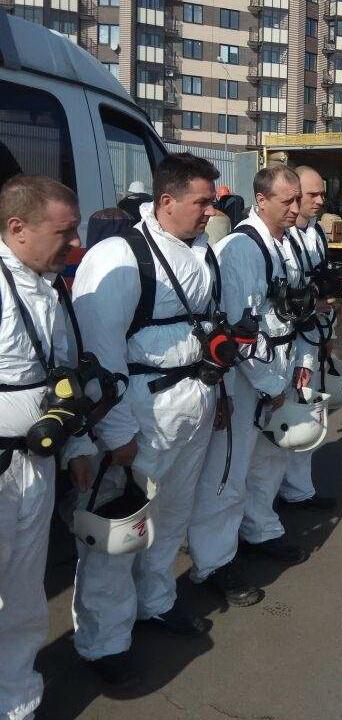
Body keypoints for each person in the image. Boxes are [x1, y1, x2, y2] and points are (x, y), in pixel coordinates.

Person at [70, 154, 223, 686]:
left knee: (172, 514)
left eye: (212, 202)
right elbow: (100, 350)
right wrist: (117, 434)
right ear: (167, 201)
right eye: (202, 202)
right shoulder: (120, 256)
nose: (211, 211)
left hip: (194, 400)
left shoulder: (201, 251)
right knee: (122, 528)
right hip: (141, 411)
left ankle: (155, 601)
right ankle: (103, 641)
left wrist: (216, 393)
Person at [0, 176, 95, 720]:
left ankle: (14, 717)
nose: (75, 243)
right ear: (18, 228)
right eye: (64, 231)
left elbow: (62, 378)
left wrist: (77, 440)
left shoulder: (49, 289)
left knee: (25, 599)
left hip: (35, 468)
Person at [188, 165, 310, 608]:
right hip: (244, 380)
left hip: (276, 367)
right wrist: (268, 383)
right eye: (287, 200)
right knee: (228, 470)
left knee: (269, 458)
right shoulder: (241, 249)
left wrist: (298, 365)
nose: (295, 208)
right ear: (261, 200)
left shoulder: (283, 244)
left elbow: (286, 312)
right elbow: (237, 332)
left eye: (297, 199)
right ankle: (214, 561)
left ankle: (260, 529)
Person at [280, 165, 338, 512]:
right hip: (290, 343)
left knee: (307, 412)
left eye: (322, 194)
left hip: (312, 338)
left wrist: (329, 333)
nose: (320, 200)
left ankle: (299, 489)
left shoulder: (315, 233)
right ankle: (282, 493)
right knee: (292, 414)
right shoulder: (282, 238)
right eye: (312, 194)